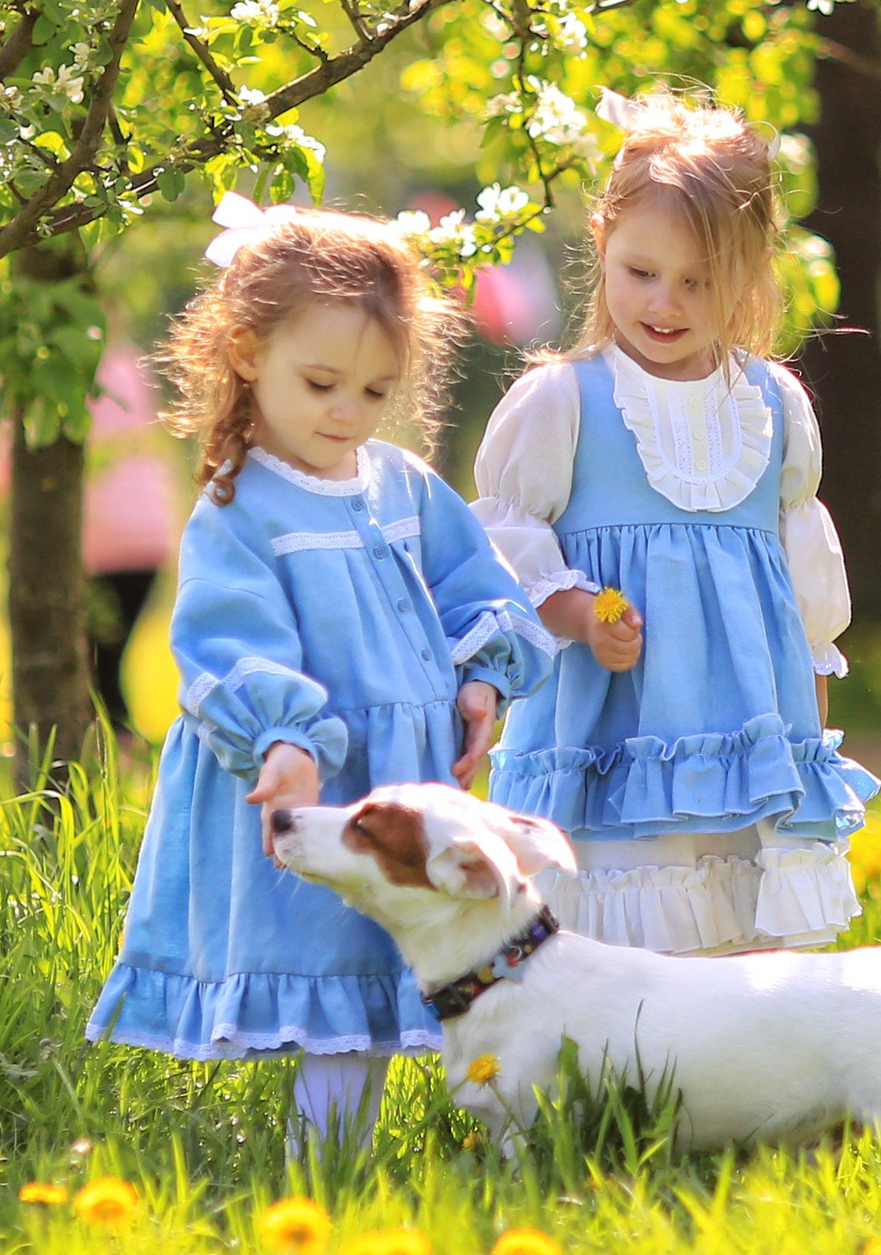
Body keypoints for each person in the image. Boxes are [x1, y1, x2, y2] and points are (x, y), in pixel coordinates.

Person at [85, 202, 551, 1149]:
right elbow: (232, 640)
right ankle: (323, 1168)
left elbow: (472, 584)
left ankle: (358, 1154)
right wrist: (284, 739)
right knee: (333, 979)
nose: (348, 412)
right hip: (308, 781)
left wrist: (480, 678)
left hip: (398, 774)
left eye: (375, 392)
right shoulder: (239, 505)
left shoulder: (401, 484)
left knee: (382, 975)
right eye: (323, 382)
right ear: (248, 353)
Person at [472, 91, 876, 956]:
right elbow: (507, 547)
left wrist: (805, 731)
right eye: (642, 271)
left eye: (699, 279)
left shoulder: (771, 406)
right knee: (625, 922)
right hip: (613, 723)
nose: (666, 301)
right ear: (603, 245)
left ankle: (733, 1072)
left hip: (749, 731)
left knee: (737, 919)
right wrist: (580, 613)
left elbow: (800, 595)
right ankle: (621, 1072)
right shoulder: (564, 401)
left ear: (750, 271)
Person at [78, 343, 179, 744]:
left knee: (91, 667)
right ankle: (120, 755)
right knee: (109, 663)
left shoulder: (47, 376)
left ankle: (111, 756)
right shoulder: (127, 367)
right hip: (150, 534)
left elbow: (0, 472)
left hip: (99, 541)